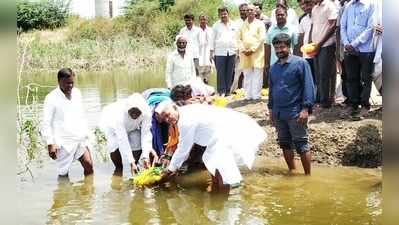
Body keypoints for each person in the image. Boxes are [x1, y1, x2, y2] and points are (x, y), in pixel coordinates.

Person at [157, 102, 267, 191]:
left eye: (168, 115)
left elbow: (183, 149)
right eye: (164, 119)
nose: (168, 119)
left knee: (220, 171)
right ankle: (221, 192)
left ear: (175, 108)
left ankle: (221, 197)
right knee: (212, 163)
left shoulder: (185, 121)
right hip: (217, 136)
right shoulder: (184, 112)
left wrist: (170, 169)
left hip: (225, 133)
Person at [268, 33, 315, 175]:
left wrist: (306, 109)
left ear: (289, 47)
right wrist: (271, 110)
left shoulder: (301, 63)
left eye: (282, 47)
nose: (278, 50)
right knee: (284, 143)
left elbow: (309, 87)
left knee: (302, 144)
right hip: (279, 113)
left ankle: (308, 177)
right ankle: (292, 171)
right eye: (276, 48)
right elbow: (272, 90)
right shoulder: (273, 68)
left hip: (296, 112)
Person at [42, 68, 94, 177]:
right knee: (63, 173)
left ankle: (88, 192)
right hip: (62, 141)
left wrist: (87, 133)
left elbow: (81, 115)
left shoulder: (77, 93)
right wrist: (50, 143)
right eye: (67, 83)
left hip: (78, 138)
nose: (70, 86)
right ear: (59, 81)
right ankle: (63, 193)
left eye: (72, 83)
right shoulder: (51, 98)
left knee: (89, 165)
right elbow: (46, 123)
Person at [99, 93, 158, 176]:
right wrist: (130, 161)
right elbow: (122, 140)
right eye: (131, 111)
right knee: (113, 146)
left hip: (133, 126)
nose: (134, 114)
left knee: (137, 141)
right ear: (127, 109)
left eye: (137, 111)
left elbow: (146, 133)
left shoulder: (146, 112)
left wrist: (146, 156)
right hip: (111, 126)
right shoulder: (119, 116)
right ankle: (119, 169)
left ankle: (135, 165)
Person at [340, 0, 376, 119]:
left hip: (366, 49)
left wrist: (354, 44)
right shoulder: (348, 6)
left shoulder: (371, 5)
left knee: (366, 78)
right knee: (351, 78)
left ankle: (365, 106)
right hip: (349, 49)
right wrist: (346, 43)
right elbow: (343, 27)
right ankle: (352, 104)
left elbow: (370, 28)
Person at [310, 0, 338, 108]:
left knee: (325, 74)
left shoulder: (329, 5)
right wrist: (313, 43)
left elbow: (333, 25)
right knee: (318, 74)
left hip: (326, 45)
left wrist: (320, 43)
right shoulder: (315, 8)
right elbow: (314, 26)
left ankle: (326, 102)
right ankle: (321, 100)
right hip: (316, 46)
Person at [238, 4, 266, 100]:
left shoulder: (260, 24)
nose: (249, 12)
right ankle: (248, 95)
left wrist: (252, 49)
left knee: (257, 73)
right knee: (247, 74)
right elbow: (238, 39)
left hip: (257, 53)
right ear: (246, 12)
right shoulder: (242, 25)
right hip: (245, 54)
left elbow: (261, 38)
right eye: (248, 10)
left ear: (255, 12)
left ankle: (256, 95)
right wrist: (243, 49)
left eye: (251, 10)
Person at [265, 6, 299, 79]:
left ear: (286, 15)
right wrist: (267, 64)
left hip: (289, 63)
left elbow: (296, 46)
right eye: (278, 15)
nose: (280, 16)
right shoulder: (271, 29)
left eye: (282, 14)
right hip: (274, 63)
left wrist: (296, 62)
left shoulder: (293, 29)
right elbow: (267, 46)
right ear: (275, 16)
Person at [211, 6, 237, 96]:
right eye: (221, 14)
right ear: (219, 15)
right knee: (220, 72)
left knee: (230, 72)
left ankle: (228, 91)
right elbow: (212, 39)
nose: (223, 15)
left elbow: (236, 38)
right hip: (219, 52)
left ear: (228, 14)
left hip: (232, 51)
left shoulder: (234, 24)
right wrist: (211, 53)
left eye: (225, 13)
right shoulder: (216, 25)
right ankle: (221, 91)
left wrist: (237, 51)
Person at [230, 3, 248, 94]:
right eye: (241, 11)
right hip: (239, 51)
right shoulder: (236, 23)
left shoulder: (251, 21)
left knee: (247, 73)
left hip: (249, 51)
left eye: (245, 10)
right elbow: (234, 38)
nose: (243, 12)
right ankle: (233, 91)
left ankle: (246, 91)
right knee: (237, 72)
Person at [298, 0, 316, 84]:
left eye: (309, 4)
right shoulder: (303, 20)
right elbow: (301, 38)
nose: (305, 6)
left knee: (319, 78)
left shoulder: (319, 16)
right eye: (304, 4)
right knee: (309, 79)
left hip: (317, 52)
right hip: (306, 54)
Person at [198, 14, 213, 84]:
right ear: (199, 20)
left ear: (207, 20)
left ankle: (206, 94)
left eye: (204, 19)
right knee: (199, 79)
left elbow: (212, 44)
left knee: (207, 79)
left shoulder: (211, 30)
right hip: (199, 58)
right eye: (201, 19)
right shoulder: (196, 31)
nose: (203, 21)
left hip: (208, 58)